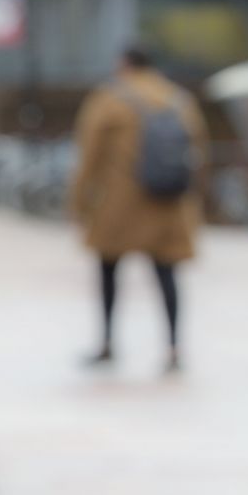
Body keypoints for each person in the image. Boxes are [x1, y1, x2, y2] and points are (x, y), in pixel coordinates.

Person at [68, 46, 208, 373]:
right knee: (167, 275)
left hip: (119, 205)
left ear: (124, 65)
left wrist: (79, 204)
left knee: (108, 272)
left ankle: (106, 343)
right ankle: (173, 348)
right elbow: (199, 156)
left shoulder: (109, 99)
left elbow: (88, 157)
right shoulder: (179, 100)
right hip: (168, 204)